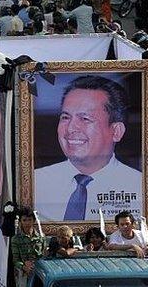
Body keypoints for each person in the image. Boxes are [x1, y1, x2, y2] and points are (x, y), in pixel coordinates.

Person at [33, 75, 141, 221]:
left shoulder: (138, 186)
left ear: (116, 131)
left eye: (85, 119)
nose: (70, 128)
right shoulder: (36, 181)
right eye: (65, 117)